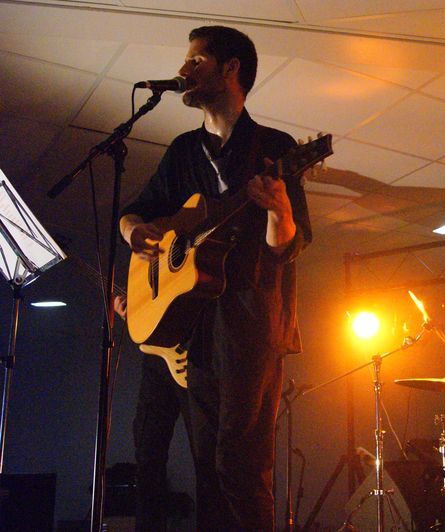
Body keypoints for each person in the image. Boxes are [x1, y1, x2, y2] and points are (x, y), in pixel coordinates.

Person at [119, 25, 312, 530]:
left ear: (231, 70)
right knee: (206, 466)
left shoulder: (275, 147)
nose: (184, 70)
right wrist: (135, 231)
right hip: (195, 326)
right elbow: (136, 212)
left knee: (241, 465)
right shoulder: (184, 151)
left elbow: (289, 246)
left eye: (196, 61)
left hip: (250, 326)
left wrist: (279, 212)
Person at [114, 295, 194, 531]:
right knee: (147, 454)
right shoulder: (145, 256)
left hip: (195, 346)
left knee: (208, 455)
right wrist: (136, 313)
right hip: (157, 356)